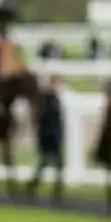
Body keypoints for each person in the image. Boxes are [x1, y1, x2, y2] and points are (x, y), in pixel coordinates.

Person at [27, 74, 64, 202]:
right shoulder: (46, 99)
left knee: (55, 164)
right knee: (45, 163)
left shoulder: (54, 98)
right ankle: (36, 186)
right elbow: (43, 119)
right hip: (47, 136)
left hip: (54, 136)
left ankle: (56, 190)